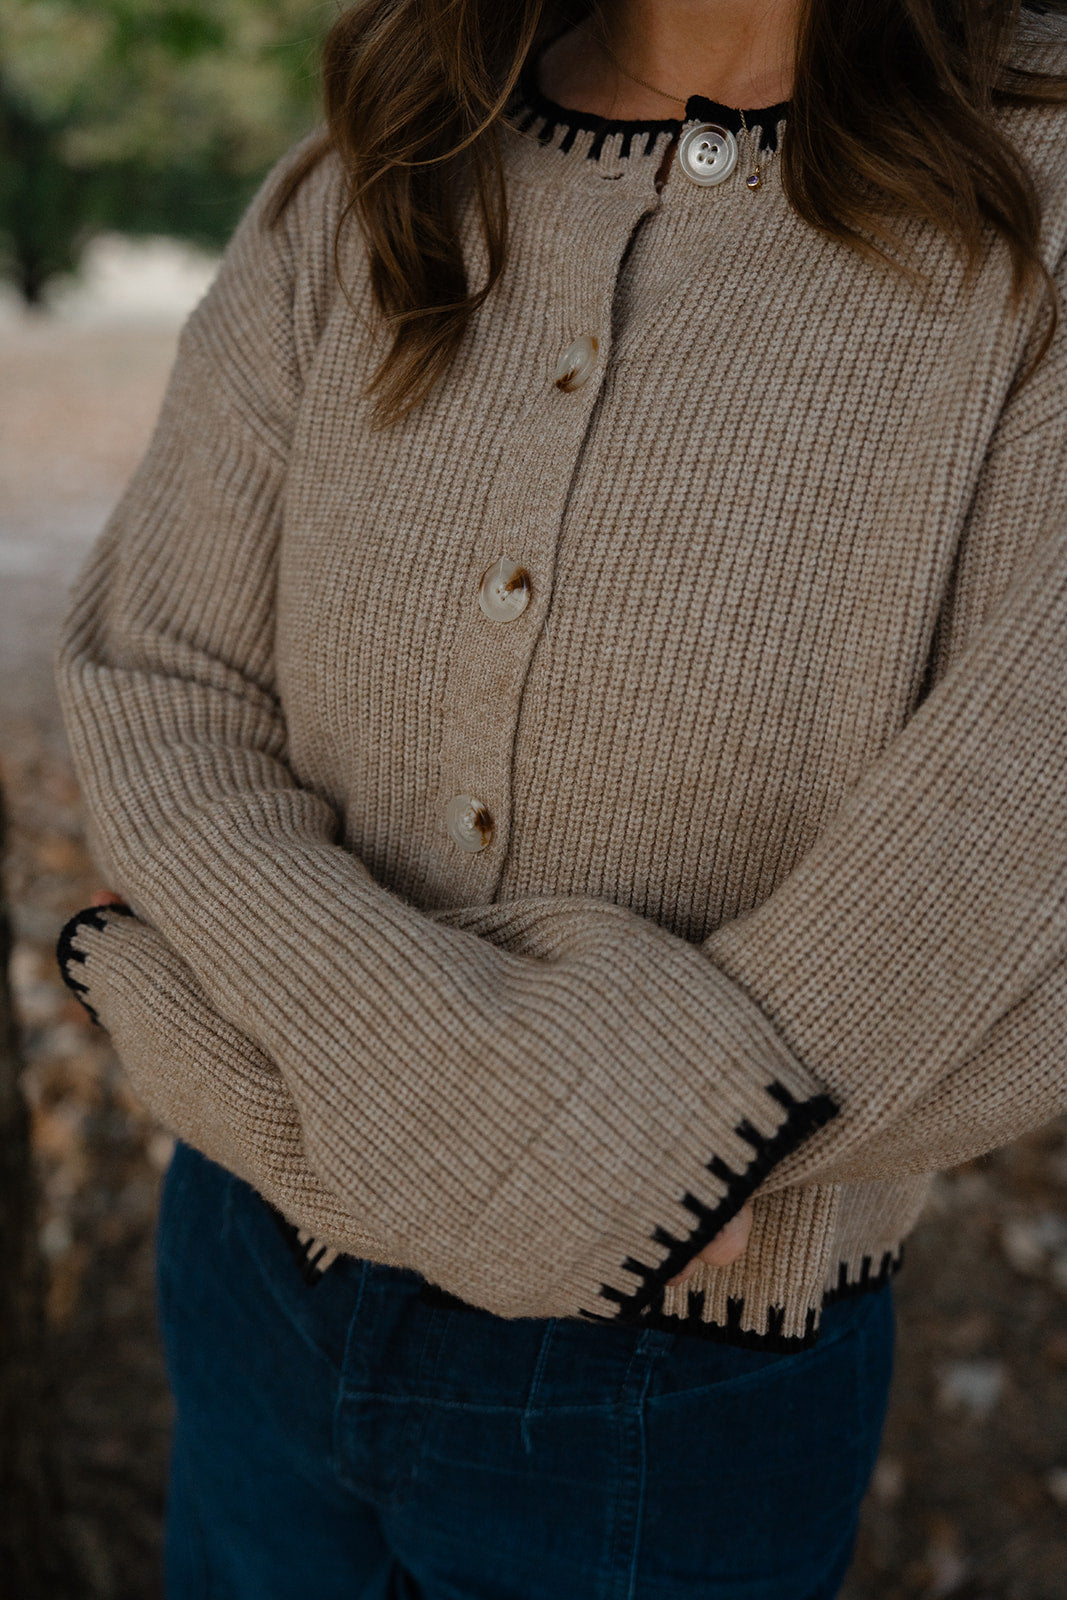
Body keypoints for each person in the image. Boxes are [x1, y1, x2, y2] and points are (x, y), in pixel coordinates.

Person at [53, 0, 1067, 1593]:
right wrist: (550, 1136)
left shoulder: (1043, 190)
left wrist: (653, 1154)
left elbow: (1016, 838)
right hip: (256, 1275)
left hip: (683, 1352)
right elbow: (160, 685)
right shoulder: (382, 159)